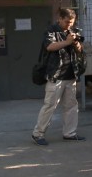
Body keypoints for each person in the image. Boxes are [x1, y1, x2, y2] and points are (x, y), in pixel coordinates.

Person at [32, 8, 87, 145]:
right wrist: (67, 42)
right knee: (50, 105)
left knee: (71, 106)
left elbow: (80, 50)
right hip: (55, 75)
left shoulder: (72, 31)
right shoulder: (51, 30)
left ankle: (70, 133)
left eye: (71, 22)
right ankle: (38, 133)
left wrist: (76, 44)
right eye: (67, 22)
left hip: (71, 75)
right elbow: (50, 47)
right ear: (60, 18)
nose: (69, 25)